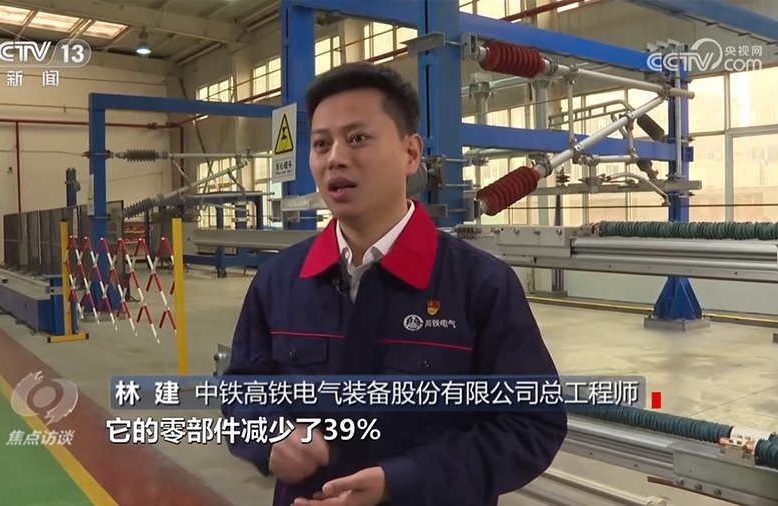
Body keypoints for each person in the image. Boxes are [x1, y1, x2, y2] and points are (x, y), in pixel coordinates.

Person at [222, 62, 567, 506]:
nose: (335, 158)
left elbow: (530, 425)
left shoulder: (480, 285)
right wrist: (269, 436)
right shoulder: (279, 280)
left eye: (357, 138)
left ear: (410, 153)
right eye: (321, 143)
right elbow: (241, 391)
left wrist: (400, 481)